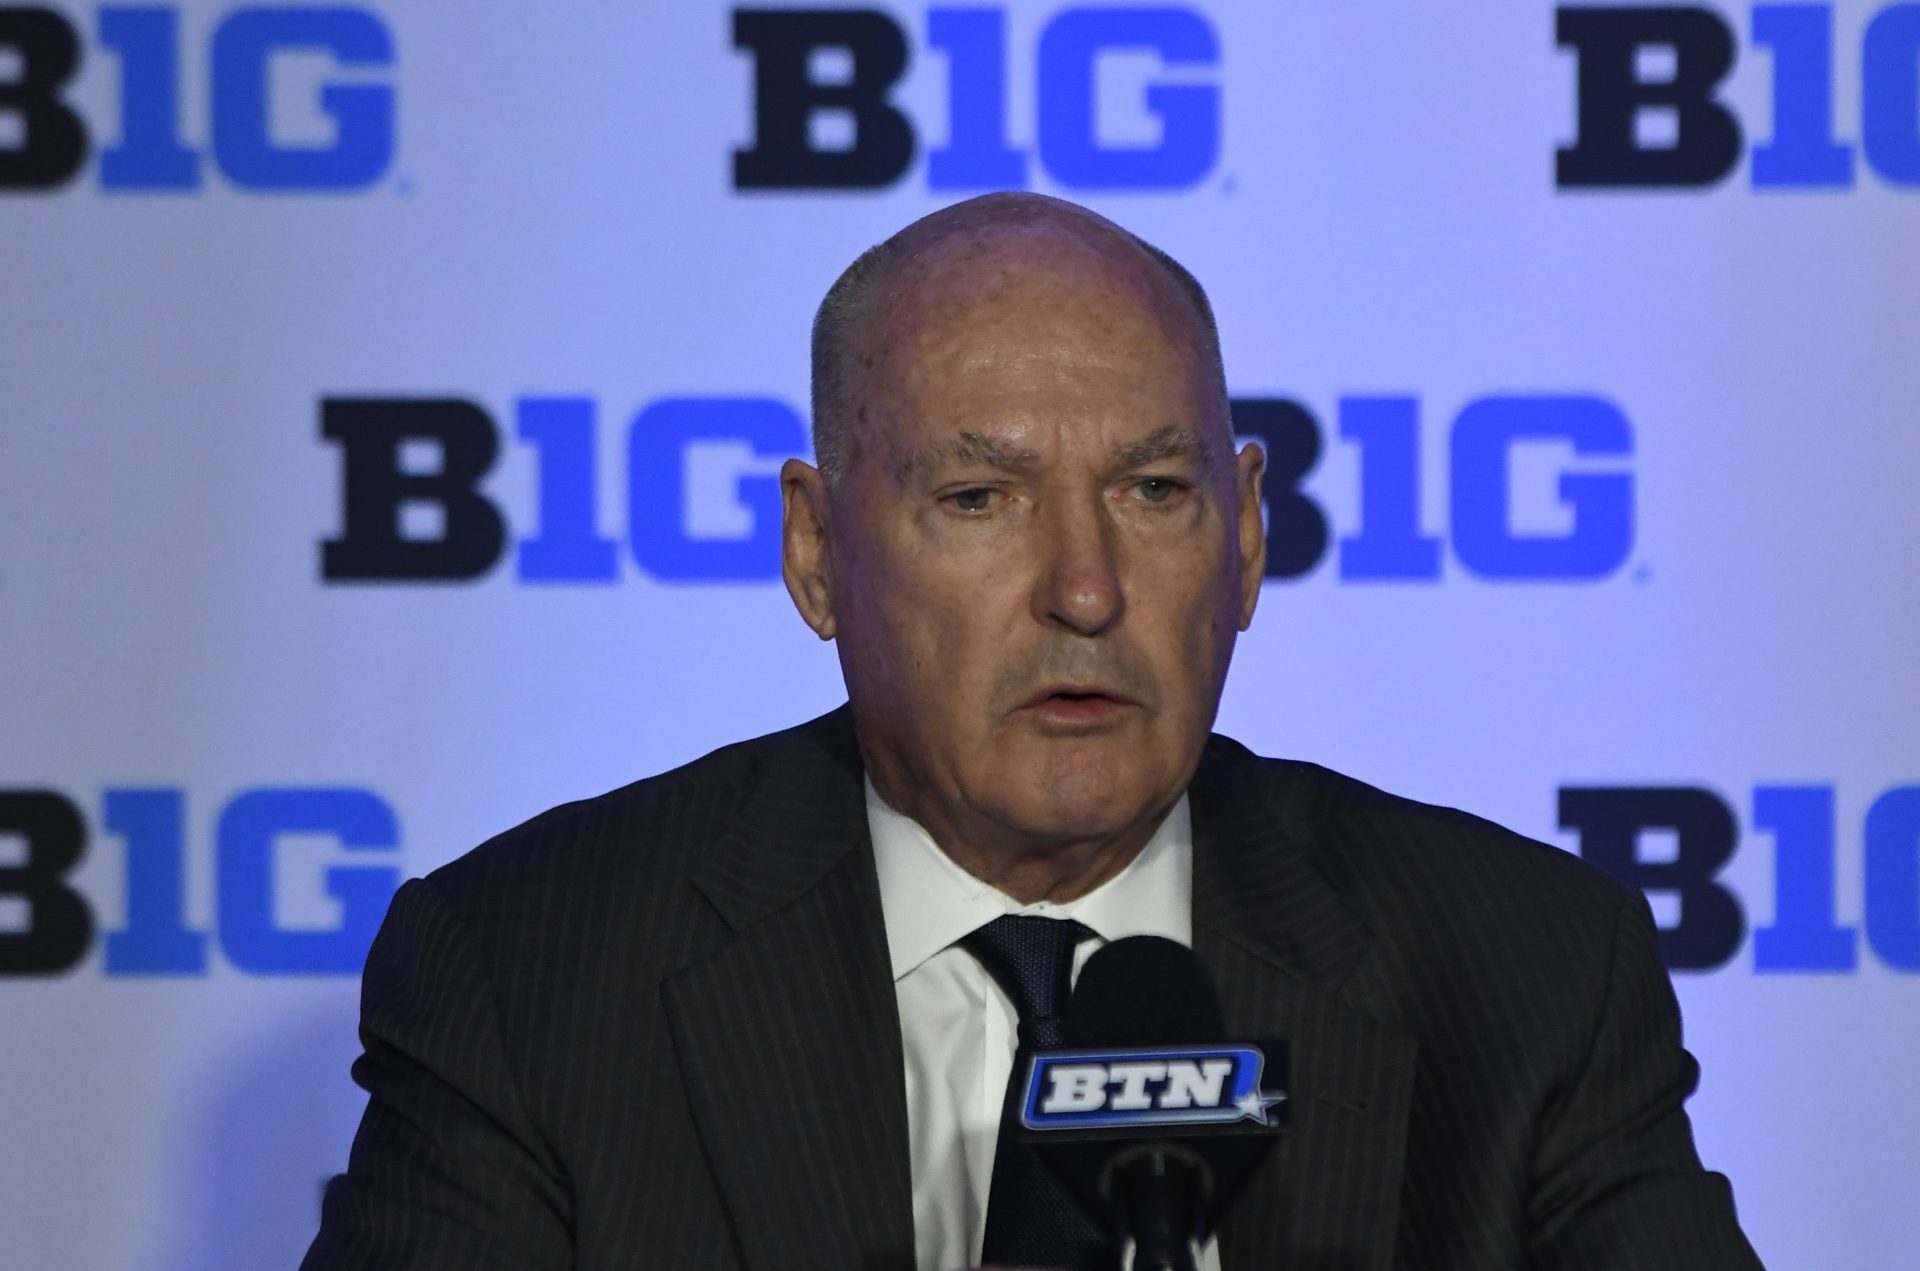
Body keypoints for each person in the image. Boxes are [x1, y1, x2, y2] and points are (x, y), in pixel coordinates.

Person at [300, 193, 1764, 1271]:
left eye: (1155, 491)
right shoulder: (529, 979)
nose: (1084, 588)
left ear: (1249, 539)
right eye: (979, 499)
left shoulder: (1525, 977)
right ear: (817, 554)